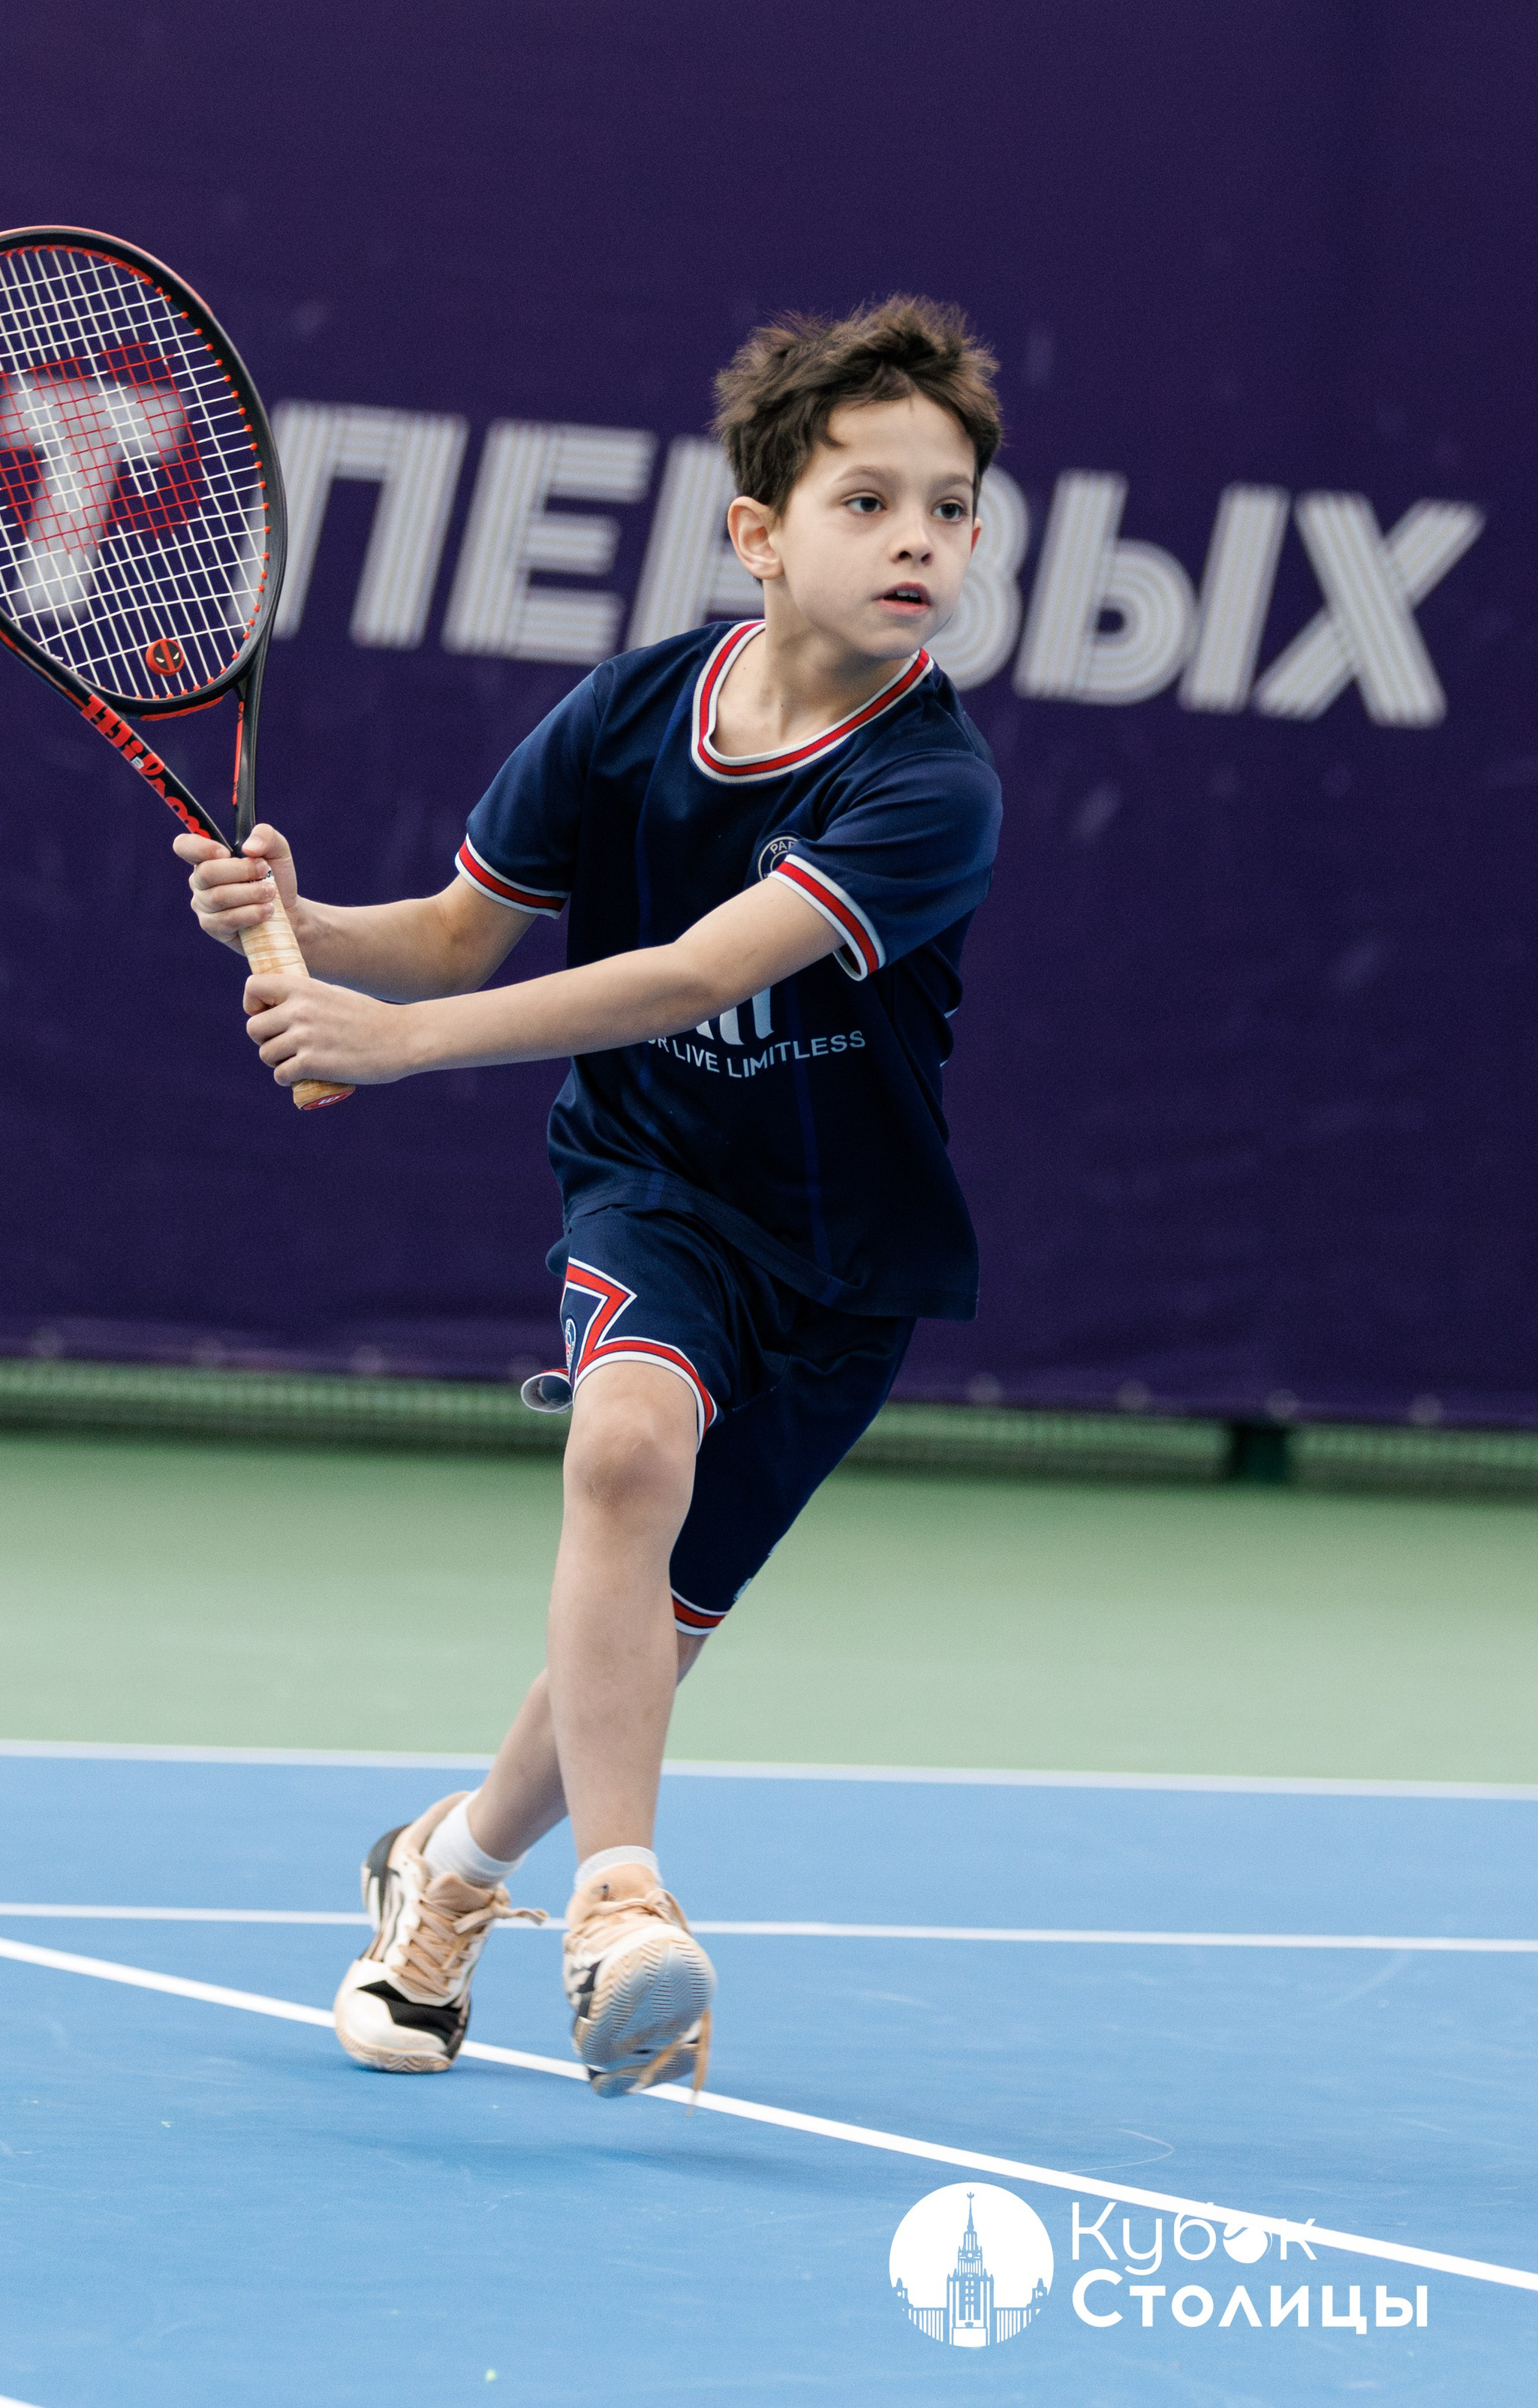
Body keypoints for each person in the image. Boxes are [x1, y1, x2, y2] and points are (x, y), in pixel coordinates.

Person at [176, 296, 1004, 2098]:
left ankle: (449, 1872)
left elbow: (692, 971)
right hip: (650, 1184)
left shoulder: (930, 785)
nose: (917, 542)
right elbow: (463, 928)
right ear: (760, 530)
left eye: (948, 509)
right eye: (867, 502)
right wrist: (304, 924)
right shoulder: (635, 705)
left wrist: (385, 1040)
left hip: (843, 1258)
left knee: (638, 1635)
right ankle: (619, 1902)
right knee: (623, 1451)